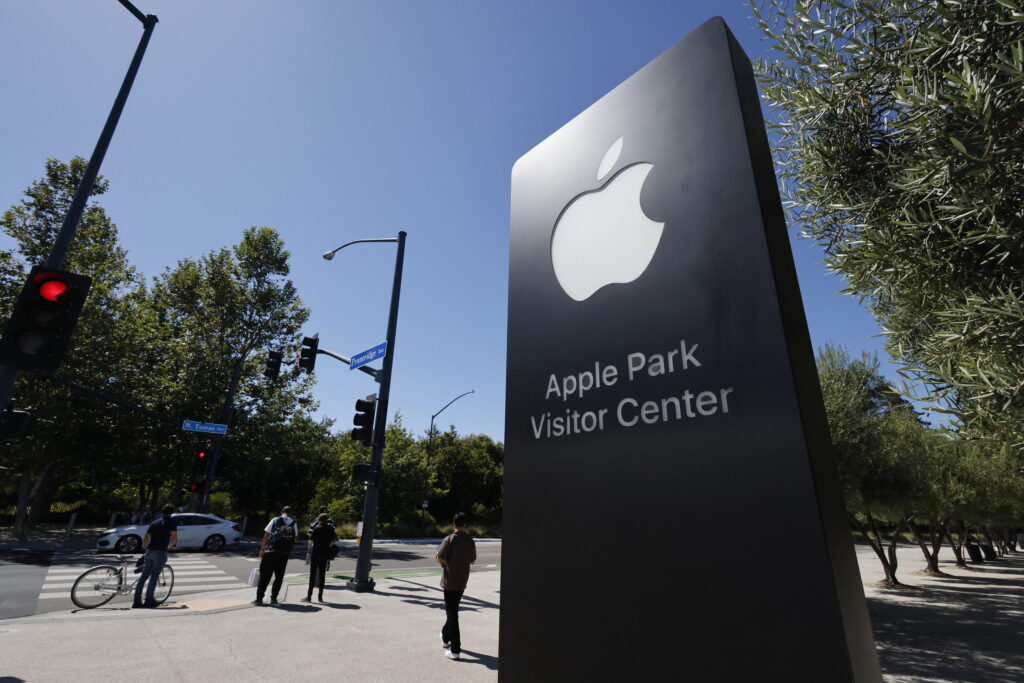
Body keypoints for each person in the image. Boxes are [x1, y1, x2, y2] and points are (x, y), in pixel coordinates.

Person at [435, 512, 476, 660]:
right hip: (462, 580)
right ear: (465, 524)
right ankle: (445, 636)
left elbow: (440, 557)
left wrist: (440, 557)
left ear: (453, 524)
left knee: (452, 614)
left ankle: (455, 649)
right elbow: (472, 560)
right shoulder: (470, 541)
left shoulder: (449, 539)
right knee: (452, 611)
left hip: (450, 581)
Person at [133, 503, 178, 608]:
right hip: (160, 552)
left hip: (149, 551)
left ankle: (137, 601)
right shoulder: (171, 522)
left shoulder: (155, 522)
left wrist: (146, 548)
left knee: (143, 577)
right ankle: (149, 600)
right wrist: (174, 545)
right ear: (172, 512)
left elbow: (146, 537)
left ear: (162, 511)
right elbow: (174, 536)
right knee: (154, 576)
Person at [253, 506, 299, 606]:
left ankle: (259, 598)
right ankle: (274, 598)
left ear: (282, 512)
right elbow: (295, 538)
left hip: (270, 552)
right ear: (291, 513)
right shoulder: (293, 523)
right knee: (279, 577)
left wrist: (262, 549)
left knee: (265, 576)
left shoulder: (275, 520)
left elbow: (266, 536)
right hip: (284, 554)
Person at [301, 513, 337, 603]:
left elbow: (310, 542)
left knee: (312, 575)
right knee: (322, 576)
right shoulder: (331, 529)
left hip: (316, 553)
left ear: (319, 520)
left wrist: (310, 549)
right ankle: (320, 597)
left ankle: (309, 596)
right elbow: (334, 540)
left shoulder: (317, 529)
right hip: (325, 554)